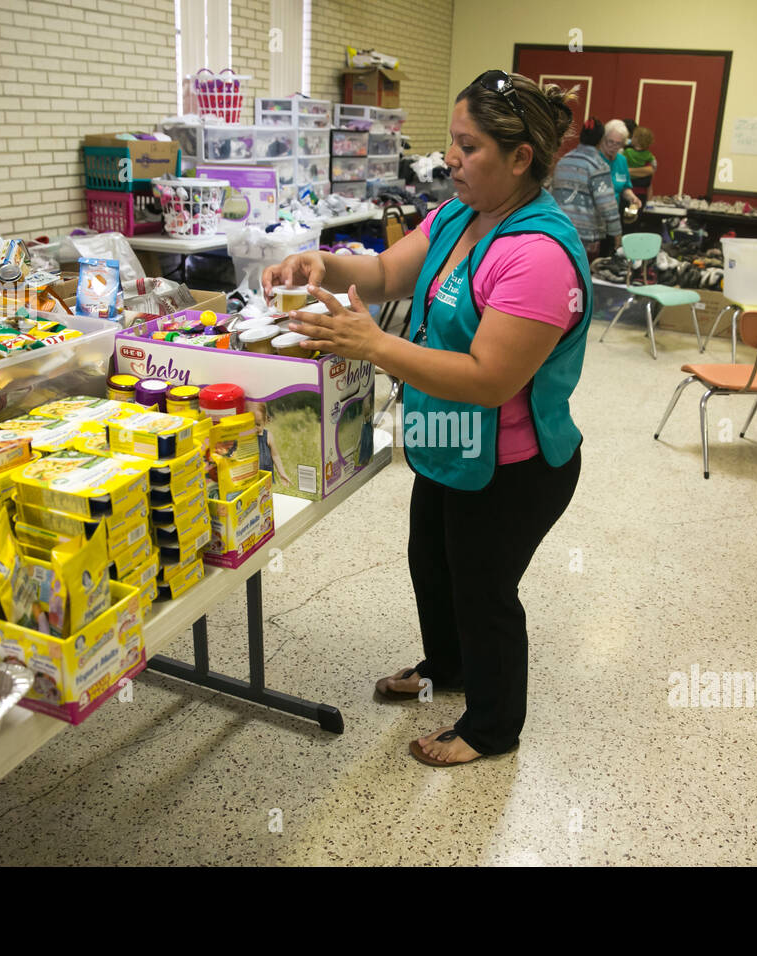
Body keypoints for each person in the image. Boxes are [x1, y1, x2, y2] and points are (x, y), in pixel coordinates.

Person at [263, 69, 590, 767]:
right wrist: (314, 262)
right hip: (446, 444)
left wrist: (376, 345)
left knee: (483, 590)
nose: (450, 158)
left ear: (520, 158)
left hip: (512, 465)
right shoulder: (458, 217)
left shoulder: (537, 255)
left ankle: (493, 727)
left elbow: (488, 379)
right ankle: (449, 668)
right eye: (451, 142)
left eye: (467, 147)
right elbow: (382, 274)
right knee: (433, 567)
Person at [550, 116, 621, 258]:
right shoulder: (598, 166)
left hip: (558, 231)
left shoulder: (564, 161)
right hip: (586, 237)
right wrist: (616, 234)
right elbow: (607, 206)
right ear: (601, 140)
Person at [622, 125, 658, 201]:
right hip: (641, 193)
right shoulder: (648, 154)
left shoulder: (627, 152)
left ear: (635, 139)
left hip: (627, 190)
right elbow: (654, 165)